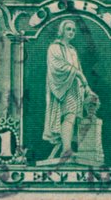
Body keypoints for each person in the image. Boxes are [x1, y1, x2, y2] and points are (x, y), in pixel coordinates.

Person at [42, 19, 96, 165]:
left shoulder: (72, 50)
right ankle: (66, 149)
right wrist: (77, 74)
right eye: (68, 29)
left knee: (71, 118)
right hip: (61, 87)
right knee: (69, 117)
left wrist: (87, 88)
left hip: (74, 88)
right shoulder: (54, 47)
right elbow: (58, 66)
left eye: (73, 30)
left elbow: (79, 71)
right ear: (62, 31)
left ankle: (67, 148)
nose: (71, 32)